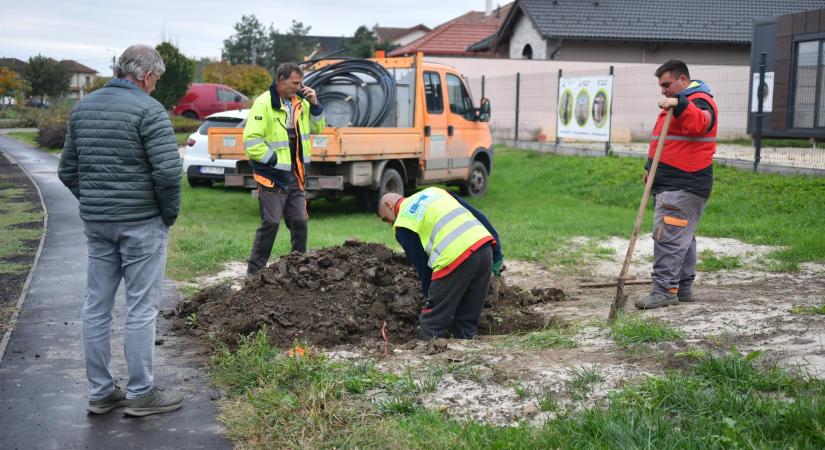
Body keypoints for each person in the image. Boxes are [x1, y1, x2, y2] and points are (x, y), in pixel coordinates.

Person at [58, 44, 184, 416]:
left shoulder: (84, 107)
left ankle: (100, 392)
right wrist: (168, 215)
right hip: (142, 223)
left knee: (96, 306)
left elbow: (67, 171)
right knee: (141, 308)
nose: (156, 87)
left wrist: (96, 200)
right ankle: (141, 393)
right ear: (146, 76)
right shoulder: (149, 110)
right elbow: (166, 174)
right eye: (156, 80)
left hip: (98, 225)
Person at [635, 60, 717, 310]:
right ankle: (683, 288)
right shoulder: (679, 103)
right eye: (661, 86)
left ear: (683, 79)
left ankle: (663, 291)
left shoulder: (698, 101)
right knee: (683, 237)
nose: (663, 91)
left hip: (683, 185)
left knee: (668, 238)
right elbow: (668, 141)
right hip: (673, 182)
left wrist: (679, 102)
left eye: (667, 85)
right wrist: (651, 169)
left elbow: (701, 123)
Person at [378, 187, 504, 340]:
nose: (390, 224)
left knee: (432, 323)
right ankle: (465, 349)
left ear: (389, 206)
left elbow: (423, 266)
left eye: (387, 219)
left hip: (454, 258)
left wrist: (431, 299)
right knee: (467, 320)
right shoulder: (436, 192)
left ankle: (429, 354)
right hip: (484, 249)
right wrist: (496, 253)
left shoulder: (404, 223)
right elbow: (479, 216)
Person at [244, 63, 325, 278]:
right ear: (281, 80)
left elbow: (318, 128)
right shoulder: (263, 104)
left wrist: (315, 104)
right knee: (270, 223)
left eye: (301, 83)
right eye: (294, 83)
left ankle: (299, 268)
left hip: (296, 176)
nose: (299, 87)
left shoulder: (302, 103)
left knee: (300, 222)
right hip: (271, 177)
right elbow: (252, 142)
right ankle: (254, 273)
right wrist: (275, 162)